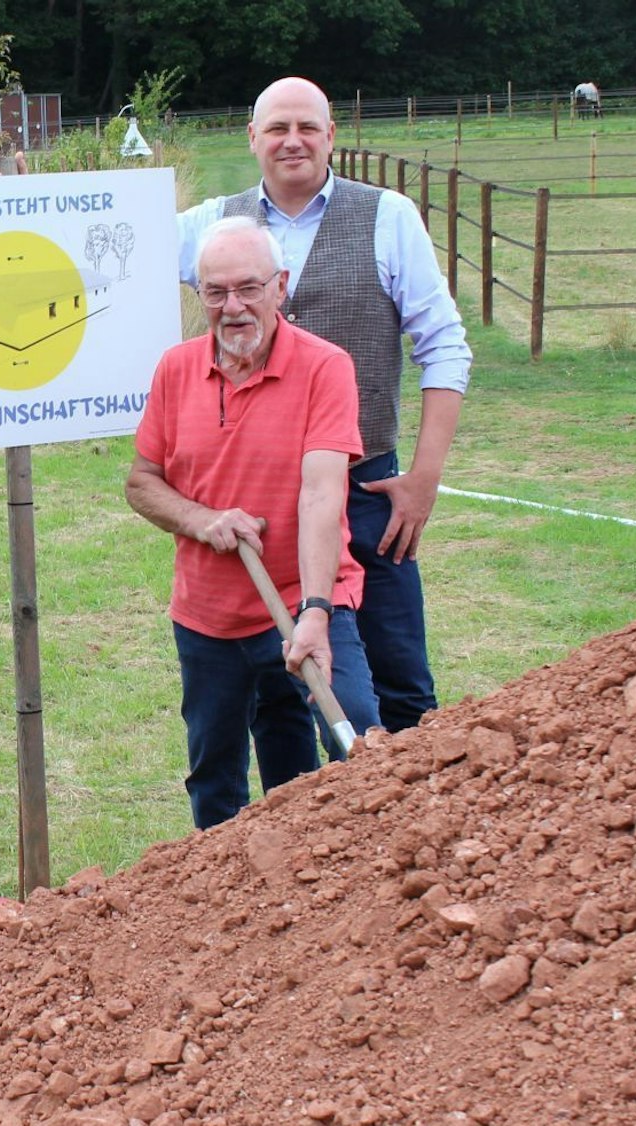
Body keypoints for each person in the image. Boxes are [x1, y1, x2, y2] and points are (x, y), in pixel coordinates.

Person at [176, 75, 471, 734]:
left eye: (308, 127)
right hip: (259, 499)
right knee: (277, 690)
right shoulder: (207, 225)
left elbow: (445, 347)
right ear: (252, 139)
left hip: (368, 488)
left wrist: (424, 478)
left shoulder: (387, 216)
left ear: (331, 136)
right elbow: (109, 262)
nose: (293, 141)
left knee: (400, 685)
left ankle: (410, 826)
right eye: (277, 128)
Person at [127, 217, 383, 829]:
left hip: (305, 600)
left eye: (248, 288)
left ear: (281, 287)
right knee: (215, 780)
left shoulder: (325, 367)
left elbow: (323, 495)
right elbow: (142, 483)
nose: (233, 307)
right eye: (216, 292)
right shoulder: (176, 369)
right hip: (207, 617)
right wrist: (201, 519)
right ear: (200, 297)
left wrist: (316, 613)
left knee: (357, 745)